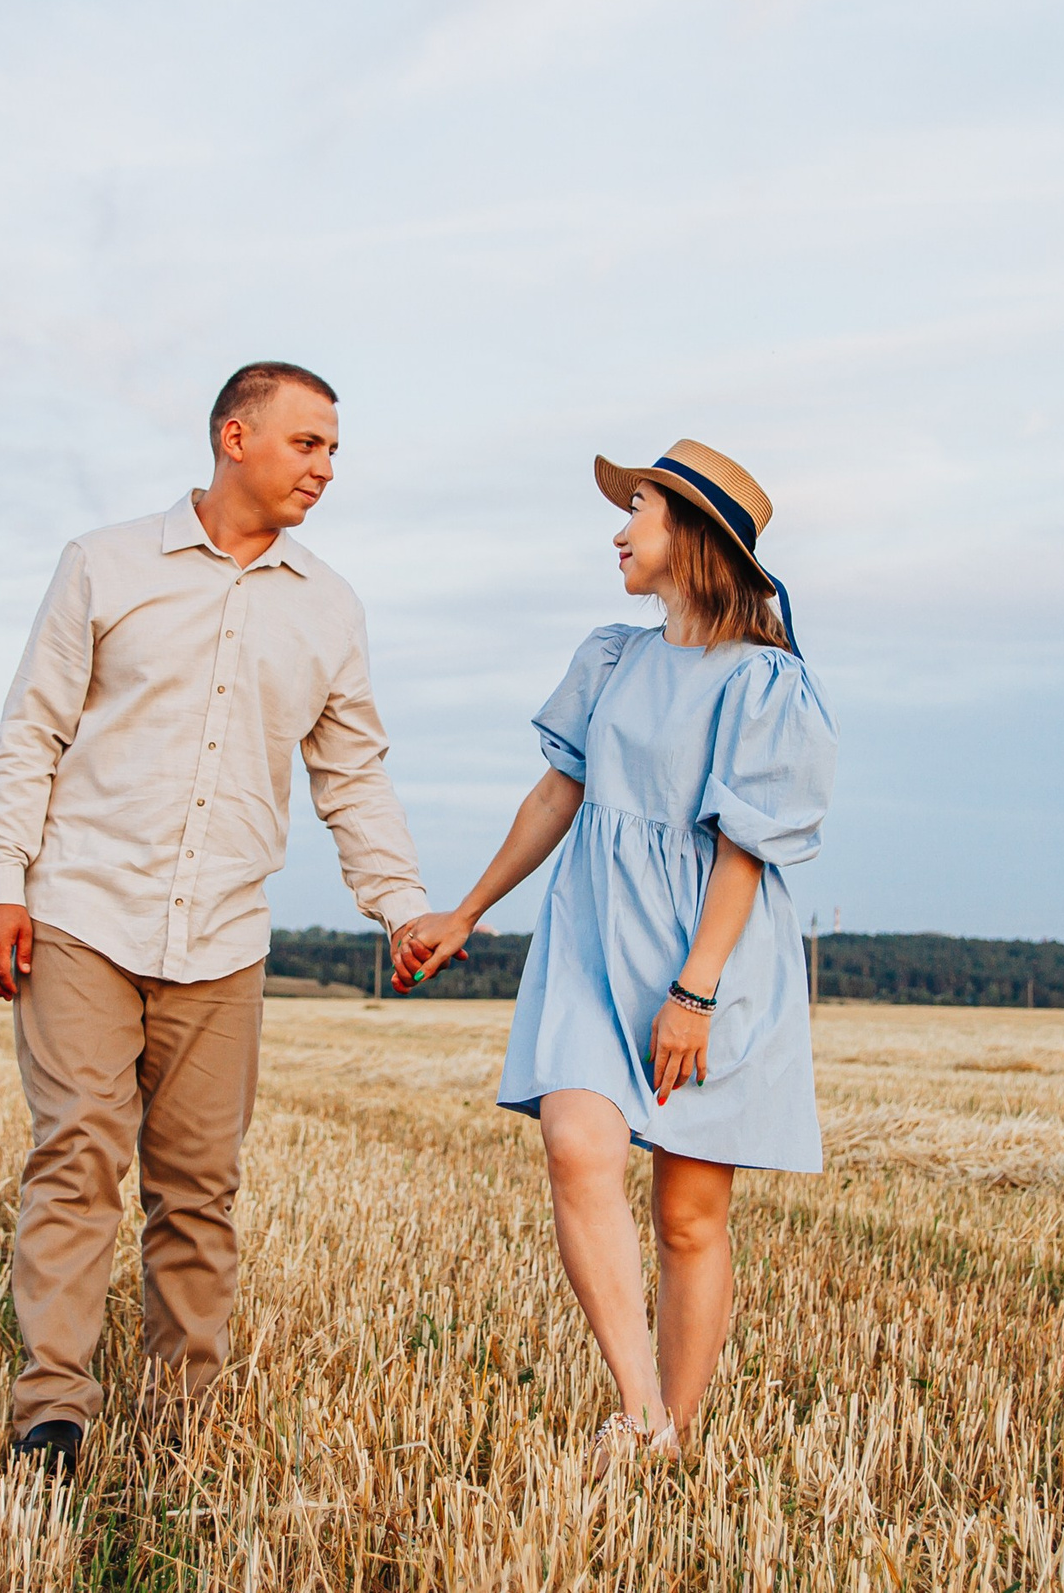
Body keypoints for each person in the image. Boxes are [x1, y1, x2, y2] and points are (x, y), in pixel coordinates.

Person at [0, 362, 431, 1479]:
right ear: (236, 435)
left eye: (332, 449)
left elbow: (352, 777)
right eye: (308, 443)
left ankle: (183, 1421)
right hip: (82, 909)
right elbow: (30, 730)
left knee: (198, 1192)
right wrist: (0, 881)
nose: (327, 467)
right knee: (76, 1156)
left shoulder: (329, 606)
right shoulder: (105, 563)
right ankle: (55, 1415)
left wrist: (400, 905)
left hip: (223, 933)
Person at [395, 439, 835, 1473]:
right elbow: (560, 793)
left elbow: (742, 849)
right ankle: (638, 1412)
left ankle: (670, 1436)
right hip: (595, 943)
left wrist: (694, 992)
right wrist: (466, 910)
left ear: (690, 534)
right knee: (575, 1141)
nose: (617, 530)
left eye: (636, 508)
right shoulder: (609, 655)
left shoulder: (767, 685)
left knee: (688, 1215)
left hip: (707, 959)